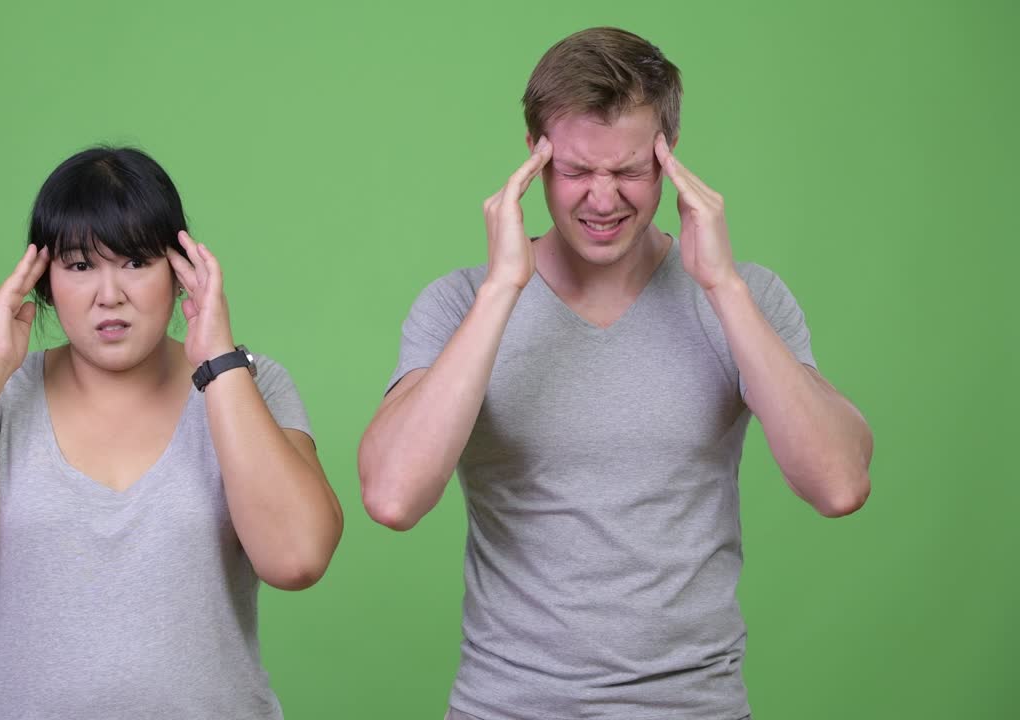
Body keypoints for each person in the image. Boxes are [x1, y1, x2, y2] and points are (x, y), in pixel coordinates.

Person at [358, 27, 873, 720]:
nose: (603, 201)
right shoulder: (459, 304)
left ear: (669, 161)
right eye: (575, 172)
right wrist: (503, 288)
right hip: (508, 705)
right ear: (534, 163)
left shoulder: (744, 297)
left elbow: (839, 483)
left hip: (695, 706)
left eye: (628, 171)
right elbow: (393, 497)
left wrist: (722, 286)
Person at [0, 147, 343, 719]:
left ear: (180, 268)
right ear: (42, 280)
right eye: (80, 265)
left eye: (135, 262)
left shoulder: (246, 387)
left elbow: (297, 558)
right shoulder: (3, 398)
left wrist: (217, 358)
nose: (109, 294)